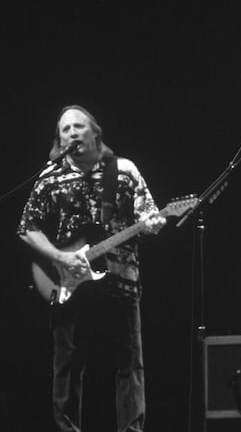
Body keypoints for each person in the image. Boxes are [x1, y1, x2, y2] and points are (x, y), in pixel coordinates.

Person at [18, 105, 166, 432]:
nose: (72, 133)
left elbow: (149, 216)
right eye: (65, 129)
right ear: (59, 139)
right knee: (67, 366)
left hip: (122, 279)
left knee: (130, 363)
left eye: (79, 127)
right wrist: (59, 257)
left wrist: (153, 224)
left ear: (94, 132)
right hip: (70, 282)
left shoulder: (124, 170)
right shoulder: (50, 175)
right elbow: (28, 226)